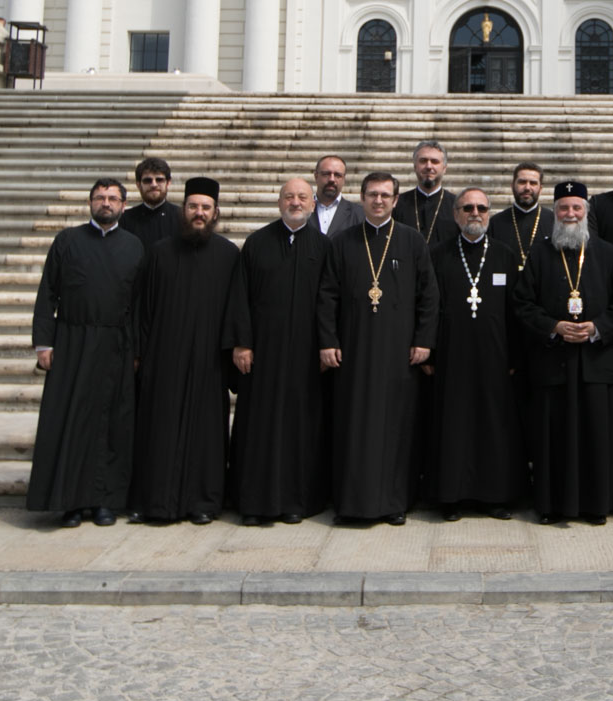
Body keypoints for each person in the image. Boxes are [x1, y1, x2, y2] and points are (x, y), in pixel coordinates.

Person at [318, 172, 439, 526]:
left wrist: (424, 340)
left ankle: (394, 502)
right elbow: (327, 296)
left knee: (395, 428)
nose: (379, 201)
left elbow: (429, 296)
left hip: (398, 354)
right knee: (352, 426)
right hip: (353, 354)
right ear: (362, 197)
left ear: (396, 200)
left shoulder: (412, 241)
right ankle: (350, 503)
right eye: (372, 195)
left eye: (386, 195)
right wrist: (327, 341)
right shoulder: (342, 242)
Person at [512, 181, 613, 525]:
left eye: (576, 208)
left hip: (595, 364)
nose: (570, 214)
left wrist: (596, 329)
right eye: (564, 208)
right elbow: (522, 302)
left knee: (596, 437)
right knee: (553, 440)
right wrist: (554, 326)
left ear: (586, 212)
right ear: (555, 212)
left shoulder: (606, 252)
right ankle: (551, 506)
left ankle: (596, 506)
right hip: (553, 362)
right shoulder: (539, 252)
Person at [27, 179, 144, 528]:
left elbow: (140, 305)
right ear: (90, 203)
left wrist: (137, 349)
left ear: (124, 205)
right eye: (100, 198)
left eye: (113, 198)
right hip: (73, 342)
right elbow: (48, 292)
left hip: (117, 346)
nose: (106, 203)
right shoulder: (67, 241)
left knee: (111, 425)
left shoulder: (135, 246)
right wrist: (44, 343)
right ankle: (71, 502)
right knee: (70, 421)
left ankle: (104, 502)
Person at [129, 176, 240, 526]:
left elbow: (237, 311)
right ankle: (156, 502)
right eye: (193, 206)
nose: (199, 213)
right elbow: (142, 310)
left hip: (209, 362)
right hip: (164, 359)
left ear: (216, 213)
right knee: (158, 430)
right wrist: (140, 354)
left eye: (206, 208)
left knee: (207, 433)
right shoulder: (160, 253)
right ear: (183, 210)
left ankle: (204, 502)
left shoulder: (228, 254)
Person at [225, 176, 330, 526]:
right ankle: (254, 502)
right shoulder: (257, 243)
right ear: (279, 202)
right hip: (263, 355)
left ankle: (296, 501)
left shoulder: (324, 246)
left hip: (305, 355)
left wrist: (328, 345)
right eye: (289, 196)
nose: (296, 202)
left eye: (302, 197)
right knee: (259, 427)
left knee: (301, 429)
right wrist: (242, 342)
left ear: (313, 204)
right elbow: (239, 295)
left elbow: (332, 302)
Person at [424, 188, 525, 520]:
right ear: (455, 214)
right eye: (467, 207)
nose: (475, 213)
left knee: (494, 425)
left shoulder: (505, 255)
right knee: (453, 424)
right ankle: (452, 497)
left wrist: (514, 356)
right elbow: (428, 307)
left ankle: (493, 496)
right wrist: (430, 352)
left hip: (495, 359)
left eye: (481, 207)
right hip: (452, 357)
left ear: (489, 213)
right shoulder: (438, 255)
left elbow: (516, 310)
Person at [395, 141, 458, 247]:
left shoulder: (458, 205)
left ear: (444, 168)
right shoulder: (397, 203)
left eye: (435, 161)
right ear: (415, 166)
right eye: (423, 161)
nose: (429, 166)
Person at [488, 162, 554, 265]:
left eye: (533, 183)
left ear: (540, 189)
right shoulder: (496, 223)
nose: (527, 187)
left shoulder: (553, 221)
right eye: (522, 182)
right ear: (512, 186)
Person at [121, 156, 179, 254]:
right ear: (138, 185)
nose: (154, 184)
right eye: (148, 180)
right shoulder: (125, 219)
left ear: (168, 183)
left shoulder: (181, 217)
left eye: (159, 180)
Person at [311, 154, 362, 238]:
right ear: (316, 176)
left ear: (344, 179)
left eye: (337, 175)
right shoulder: (301, 210)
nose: (332, 179)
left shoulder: (358, 214)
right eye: (326, 174)